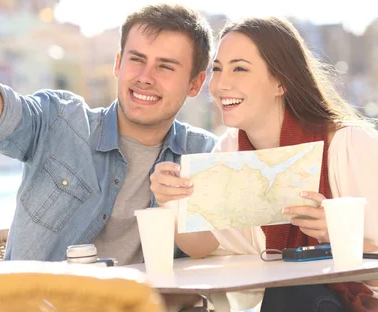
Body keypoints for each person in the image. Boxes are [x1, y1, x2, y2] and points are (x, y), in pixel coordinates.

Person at [0, 3, 217, 266]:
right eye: (136, 59)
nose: (145, 78)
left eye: (165, 67)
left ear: (194, 83)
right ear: (118, 64)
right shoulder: (60, 120)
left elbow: (220, 251)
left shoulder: (203, 154)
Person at [151, 17, 378, 311]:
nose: (221, 84)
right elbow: (201, 245)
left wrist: (340, 235)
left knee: (287, 295)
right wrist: (172, 201)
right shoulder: (228, 152)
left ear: (281, 81)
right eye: (217, 69)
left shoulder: (350, 145)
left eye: (240, 68)